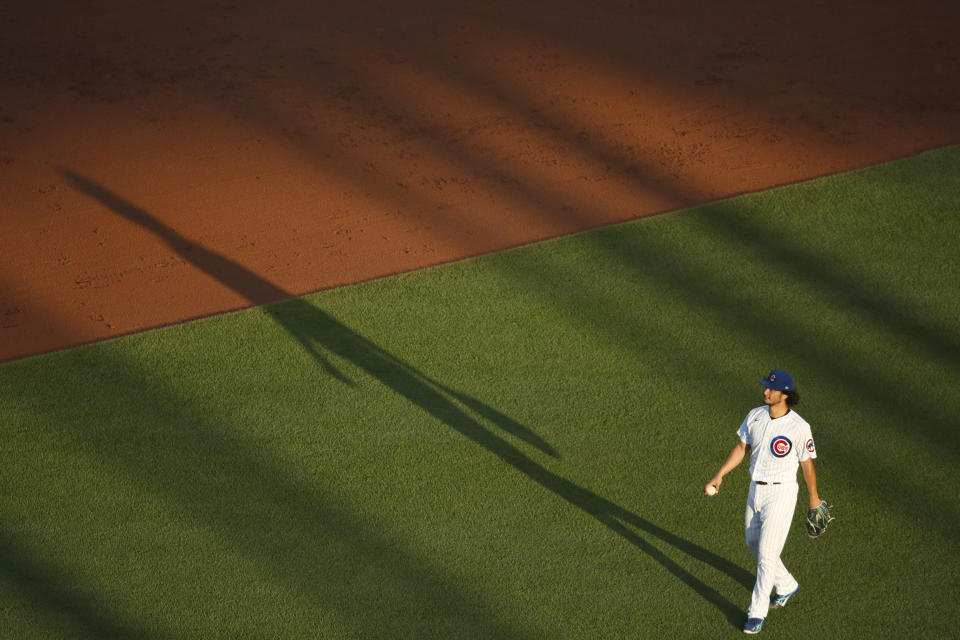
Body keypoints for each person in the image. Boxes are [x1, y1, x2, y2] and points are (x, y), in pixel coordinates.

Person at [705, 369, 826, 635]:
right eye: (765, 387)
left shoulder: (798, 427)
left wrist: (814, 498)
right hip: (755, 490)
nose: (765, 392)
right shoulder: (755, 416)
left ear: (785, 394)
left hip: (781, 495)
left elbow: (807, 466)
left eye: (771, 389)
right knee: (753, 544)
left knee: (766, 557)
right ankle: (786, 585)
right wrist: (719, 475)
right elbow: (741, 448)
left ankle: (756, 613)